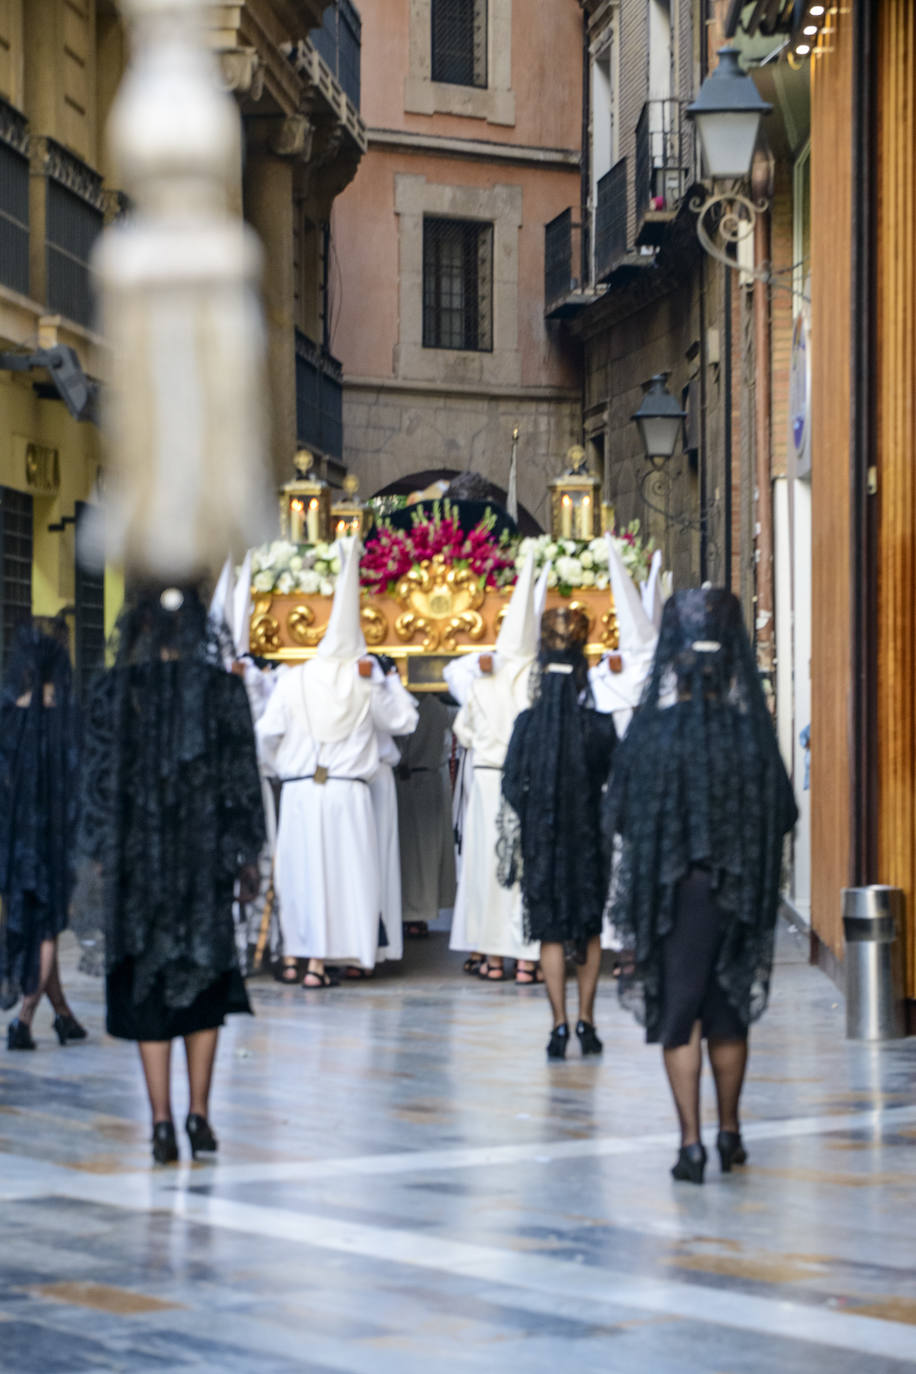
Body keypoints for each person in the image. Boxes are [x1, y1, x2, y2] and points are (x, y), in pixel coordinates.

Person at [605, 588, 797, 1184]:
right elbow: (784, 812)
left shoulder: (652, 735)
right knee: (728, 1012)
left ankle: (690, 1144)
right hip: (737, 892)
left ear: (675, 664)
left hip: (674, 896)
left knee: (679, 1013)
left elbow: (618, 814)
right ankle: (730, 1132)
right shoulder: (750, 735)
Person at [76, 585, 265, 1164]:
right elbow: (242, 781)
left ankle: (160, 1120)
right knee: (203, 981)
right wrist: (246, 856)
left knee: (147, 986)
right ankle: (198, 1113)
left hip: (137, 865)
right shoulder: (223, 691)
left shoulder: (113, 692)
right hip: (202, 861)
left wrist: (101, 853)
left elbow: (95, 781)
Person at [257, 539, 417, 987]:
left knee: (301, 876)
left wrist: (281, 771)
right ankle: (321, 964)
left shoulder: (292, 679)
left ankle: (296, 956)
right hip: (347, 793)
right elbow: (405, 721)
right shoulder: (365, 682)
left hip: (300, 791)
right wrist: (385, 681)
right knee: (345, 879)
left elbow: (265, 734)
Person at [499, 607, 617, 1057]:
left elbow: (511, 783)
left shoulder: (527, 726)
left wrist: (536, 813)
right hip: (587, 839)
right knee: (588, 929)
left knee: (550, 931)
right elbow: (615, 780)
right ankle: (587, 1019)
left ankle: (558, 1025)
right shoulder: (599, 726)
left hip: (543, 840)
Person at [449, 554, 541, 983]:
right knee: (525, 865)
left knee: (487, 866)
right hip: (529, 780)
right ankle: (526, 959)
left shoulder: (481, 680)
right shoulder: (540, 678)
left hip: (488, 779)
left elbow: (463, 732)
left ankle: (491, 958)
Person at [1, 618, 84, 1050]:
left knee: (34, 921)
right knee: (47, 928)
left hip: (15, 838)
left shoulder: (8, 712)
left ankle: (64, 1016)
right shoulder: (67, 715)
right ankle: (24, 1020)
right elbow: (78, 780)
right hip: (52, 838)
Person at [394, 692, 457, 939]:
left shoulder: (435, 707)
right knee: (413, 853)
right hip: (410, 781)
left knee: (420, 852)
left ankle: (416, 913)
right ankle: (412, 914)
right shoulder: (437, 707)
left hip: (420, 780)